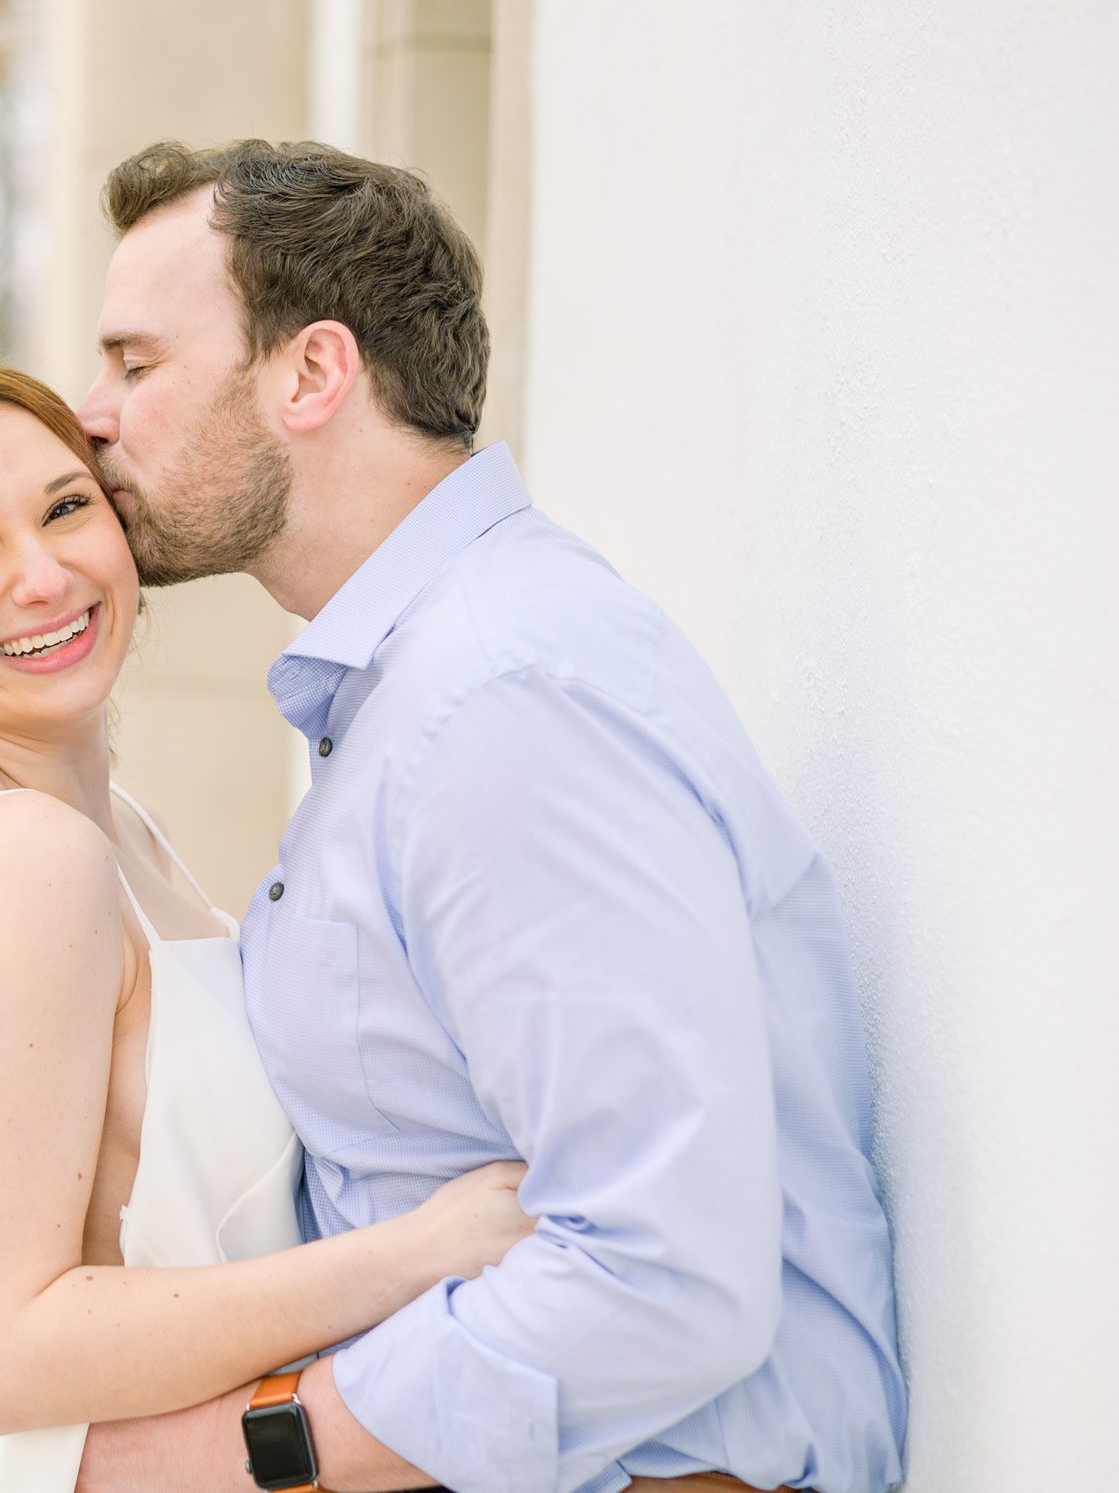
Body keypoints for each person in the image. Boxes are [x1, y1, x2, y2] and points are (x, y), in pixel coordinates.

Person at [69, 140, 908, 1493]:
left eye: (136, 361)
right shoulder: (428, 683)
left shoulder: (498, 698)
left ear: (312, 373)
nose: (91, 412)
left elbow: (661, 1272)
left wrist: (257, 1450)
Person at [0, 360, 537, 1491]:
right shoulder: (24, 859)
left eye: (67, 508)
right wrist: (416, 1256)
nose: (43, 574)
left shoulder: (110, 826)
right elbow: (5, 1353)